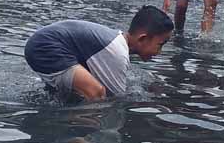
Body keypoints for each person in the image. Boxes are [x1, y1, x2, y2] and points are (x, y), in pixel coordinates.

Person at [24, 6, 173, 103]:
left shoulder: (115, 41)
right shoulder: (117, 52)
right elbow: (116, 98)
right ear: (142, 38)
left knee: (83, 91)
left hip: (44, 43)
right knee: (97, 93)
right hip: (45, 48)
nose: (160, 52)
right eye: (160, 45)